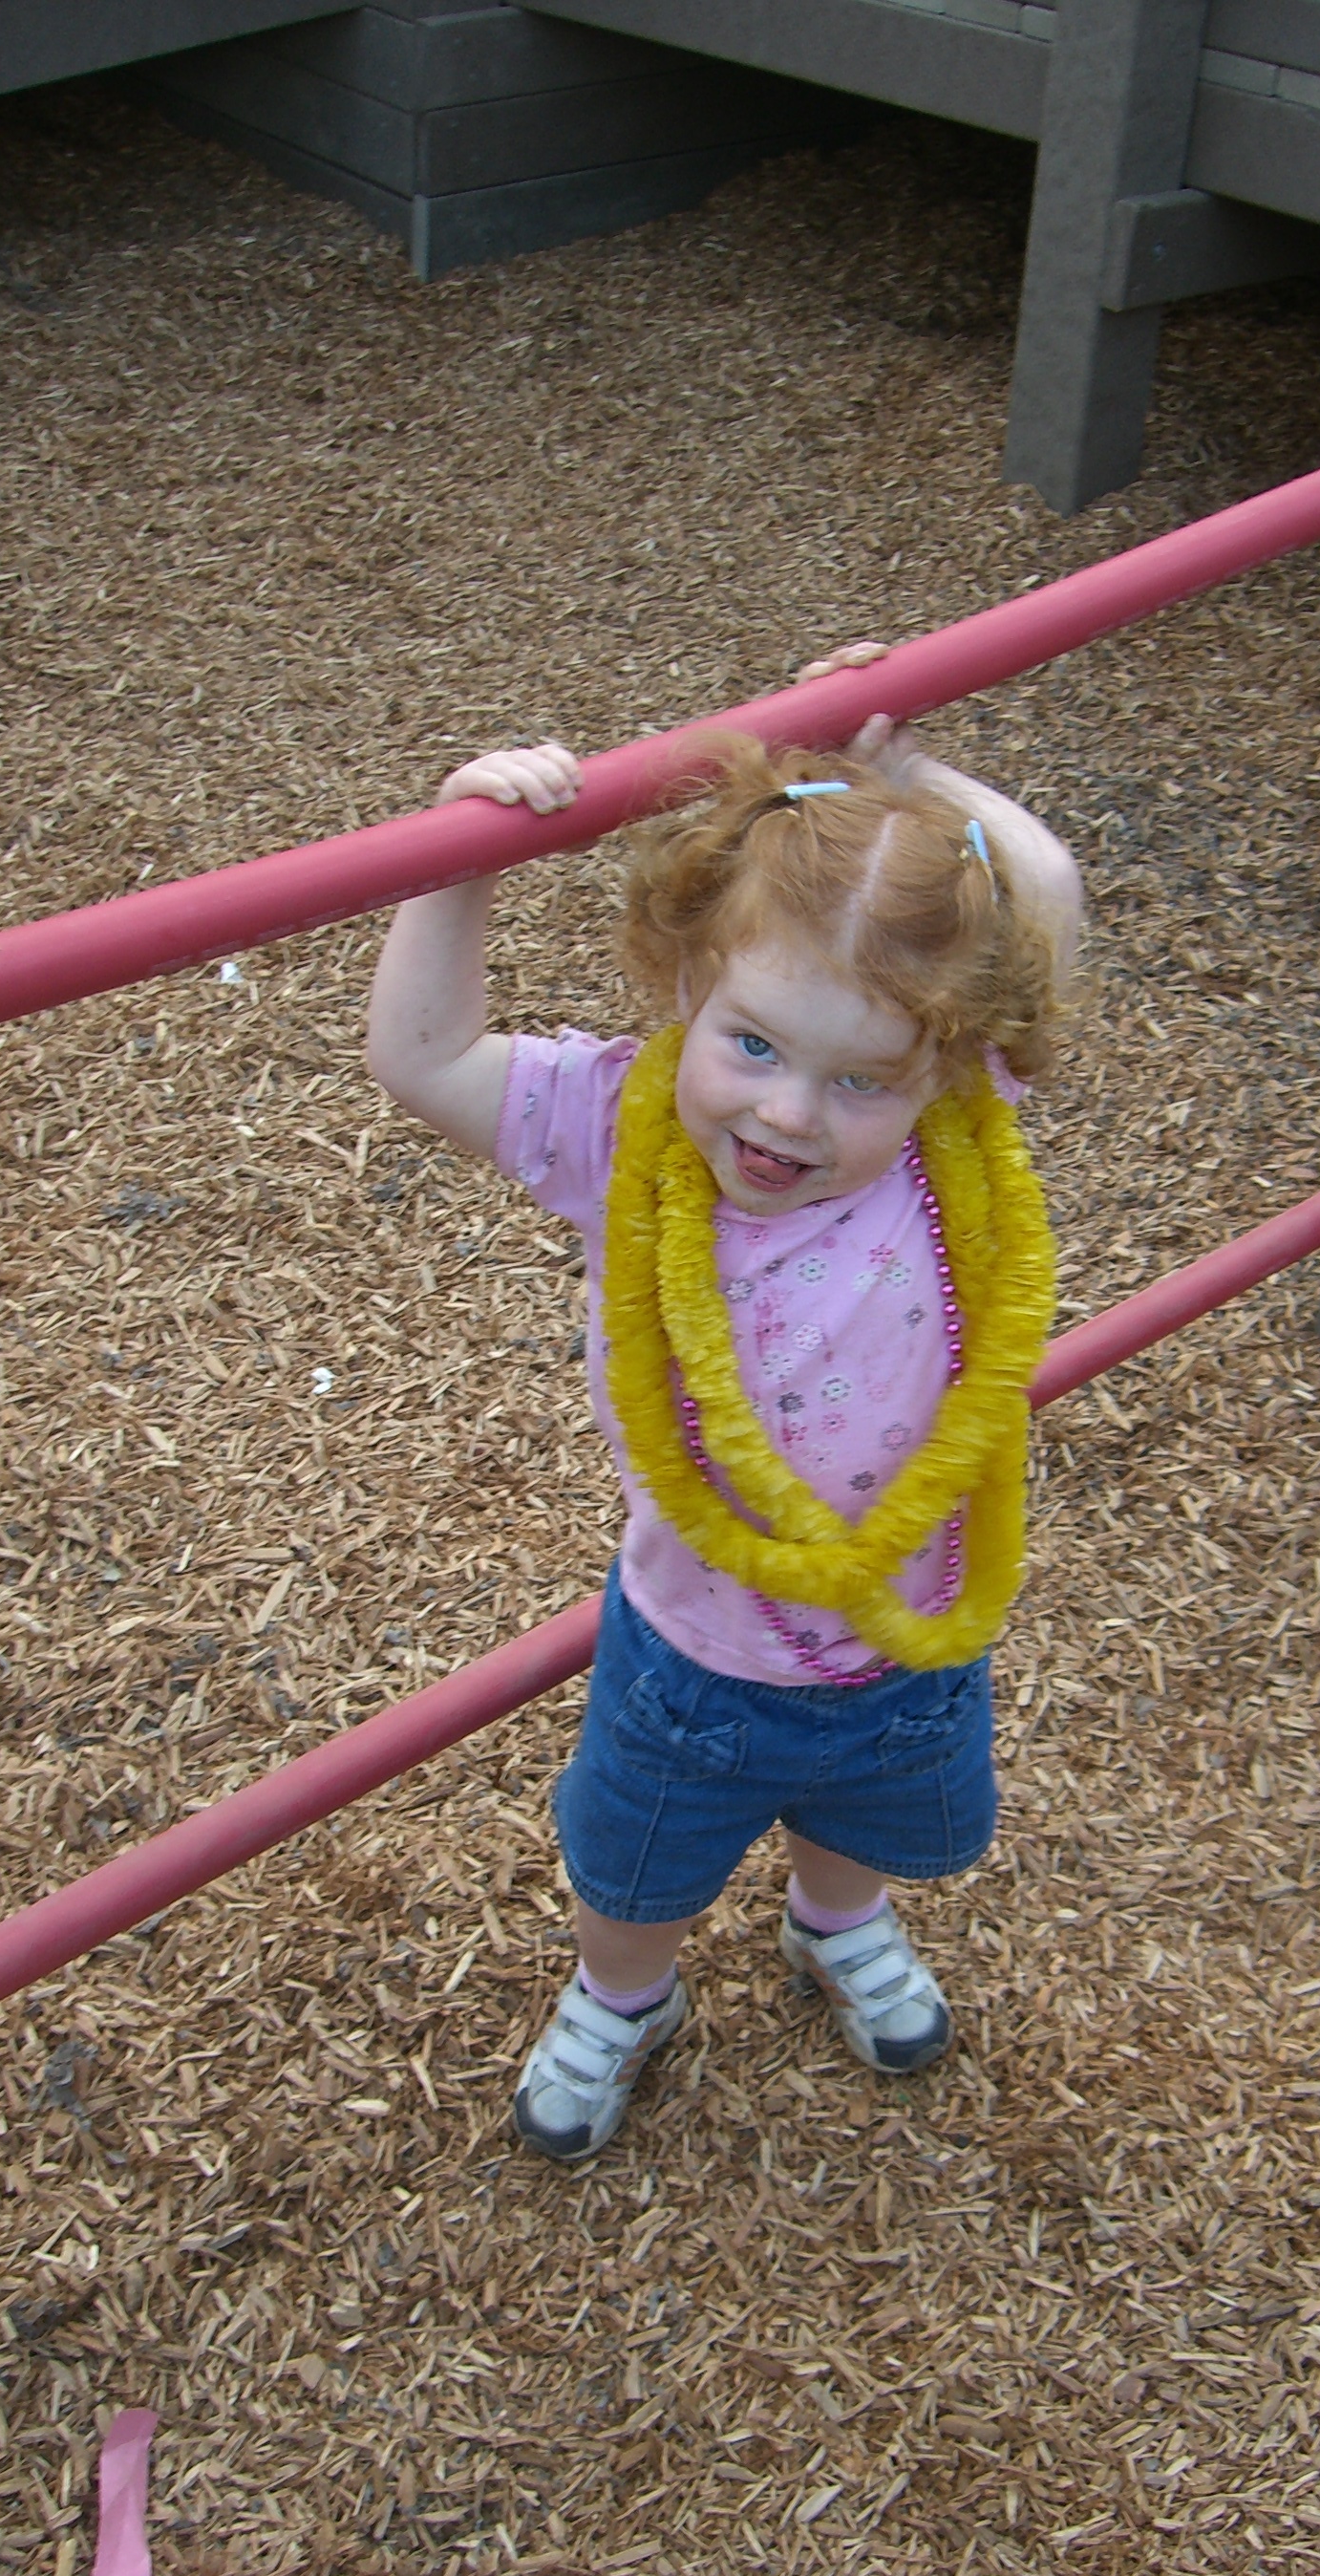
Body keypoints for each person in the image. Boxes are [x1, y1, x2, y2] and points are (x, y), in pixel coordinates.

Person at [366, 648, 1083, 2162]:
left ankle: (836, 1920)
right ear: (691, 989)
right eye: (752, 1043)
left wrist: (897, 772)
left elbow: (1048, 891)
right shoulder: (621, 1130)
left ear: (943, 1063)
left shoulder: (953, 1124)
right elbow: (420, 1057)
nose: (787, 1113)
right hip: (694, 1653)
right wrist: (456, 854)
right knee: (635, 1873)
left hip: (907, 1638)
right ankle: (622, 1997)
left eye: (859, 1079)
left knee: (865, 1823)